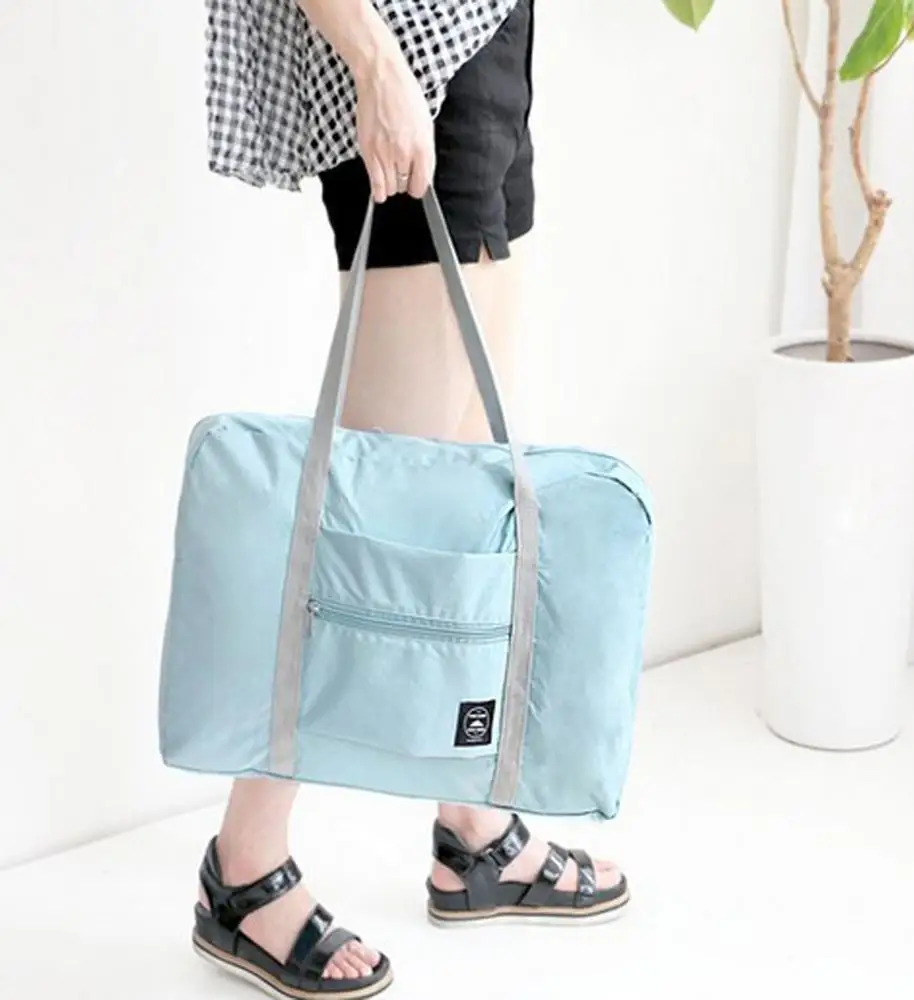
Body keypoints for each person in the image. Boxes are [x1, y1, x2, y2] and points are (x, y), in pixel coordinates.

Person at [193, 2, 628, 996]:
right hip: (407, 41)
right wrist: (374, 59)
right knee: (370, 520)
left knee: (461, 484)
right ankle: (244, 865)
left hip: (481, 33)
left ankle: (472, 824)